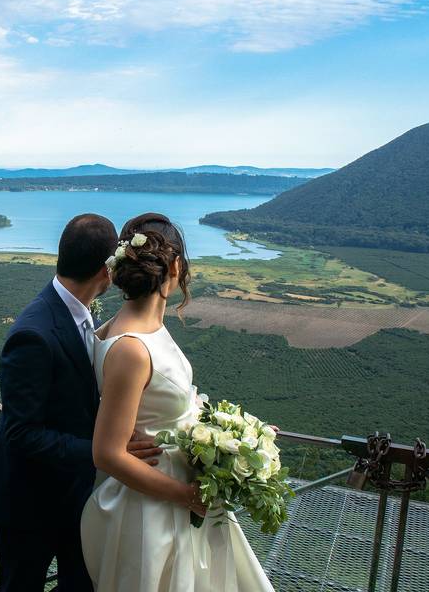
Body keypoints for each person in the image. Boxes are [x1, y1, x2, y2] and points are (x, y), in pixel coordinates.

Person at [81, 212, 275, 591]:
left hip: (173, 499)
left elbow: (167, 405)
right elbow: (107, 453)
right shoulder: (133, 348)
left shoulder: (131, 326)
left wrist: (240, 434)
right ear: (176, 266)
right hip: (151, 513)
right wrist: (187, 495)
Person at [0, 213, 164, 592]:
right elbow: (22, 434)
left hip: (77, 494)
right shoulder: (33, 333)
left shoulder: (80, 312)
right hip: (27, 502)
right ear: (106, 271)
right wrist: (105, 452)